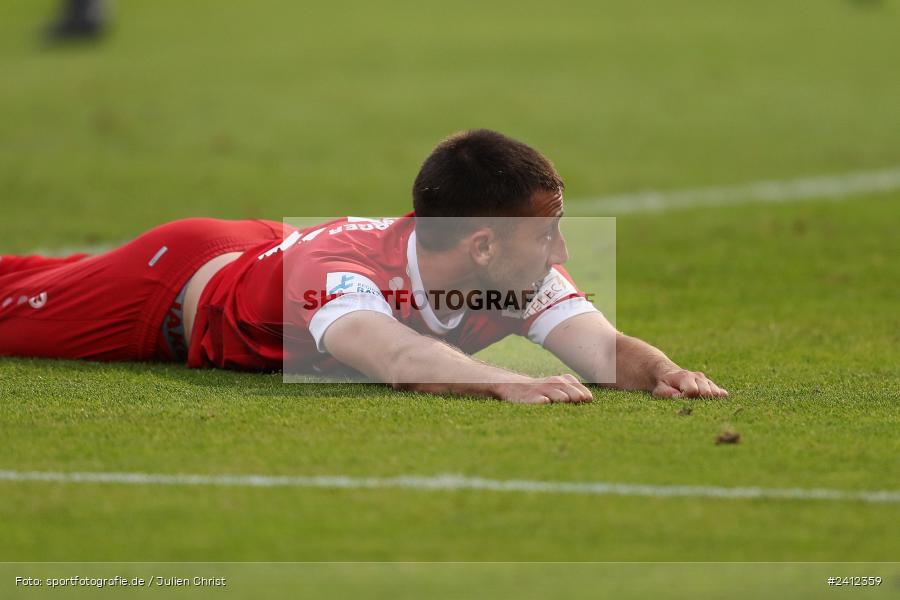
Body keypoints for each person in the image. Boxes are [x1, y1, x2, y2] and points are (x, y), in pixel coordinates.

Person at [0, 130, 728, 404]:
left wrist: (664, 370)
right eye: (548, 235)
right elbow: (395, 354)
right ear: (481, 244)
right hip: (162, 291)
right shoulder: (338, 271)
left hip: (257, 249)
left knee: (35, 273)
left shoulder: (513, 272)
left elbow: (600, 348)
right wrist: (508, 381)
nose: (561, 253)